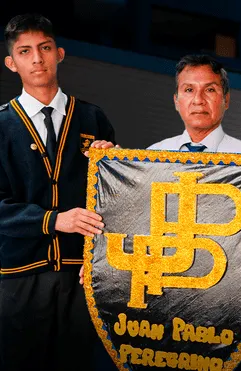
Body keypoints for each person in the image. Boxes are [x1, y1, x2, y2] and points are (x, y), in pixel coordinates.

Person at [148, 54, 241, 371]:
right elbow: (133, 220)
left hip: (231, 306)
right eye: (188, 90)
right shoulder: (150, 157)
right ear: (176, 100)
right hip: (167, 304)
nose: (198, 100)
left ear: (226, 99)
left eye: (209, 90)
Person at [0, 13, 117, 371]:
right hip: (19, 279)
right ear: (11, 63)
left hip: (81, 277)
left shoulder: (92, 118)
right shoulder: (2, 125)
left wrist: (114, 167)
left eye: (45, 48)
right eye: (25, 51)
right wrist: (54, 220)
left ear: (60, 54)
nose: (37, 58)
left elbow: (117, 201)